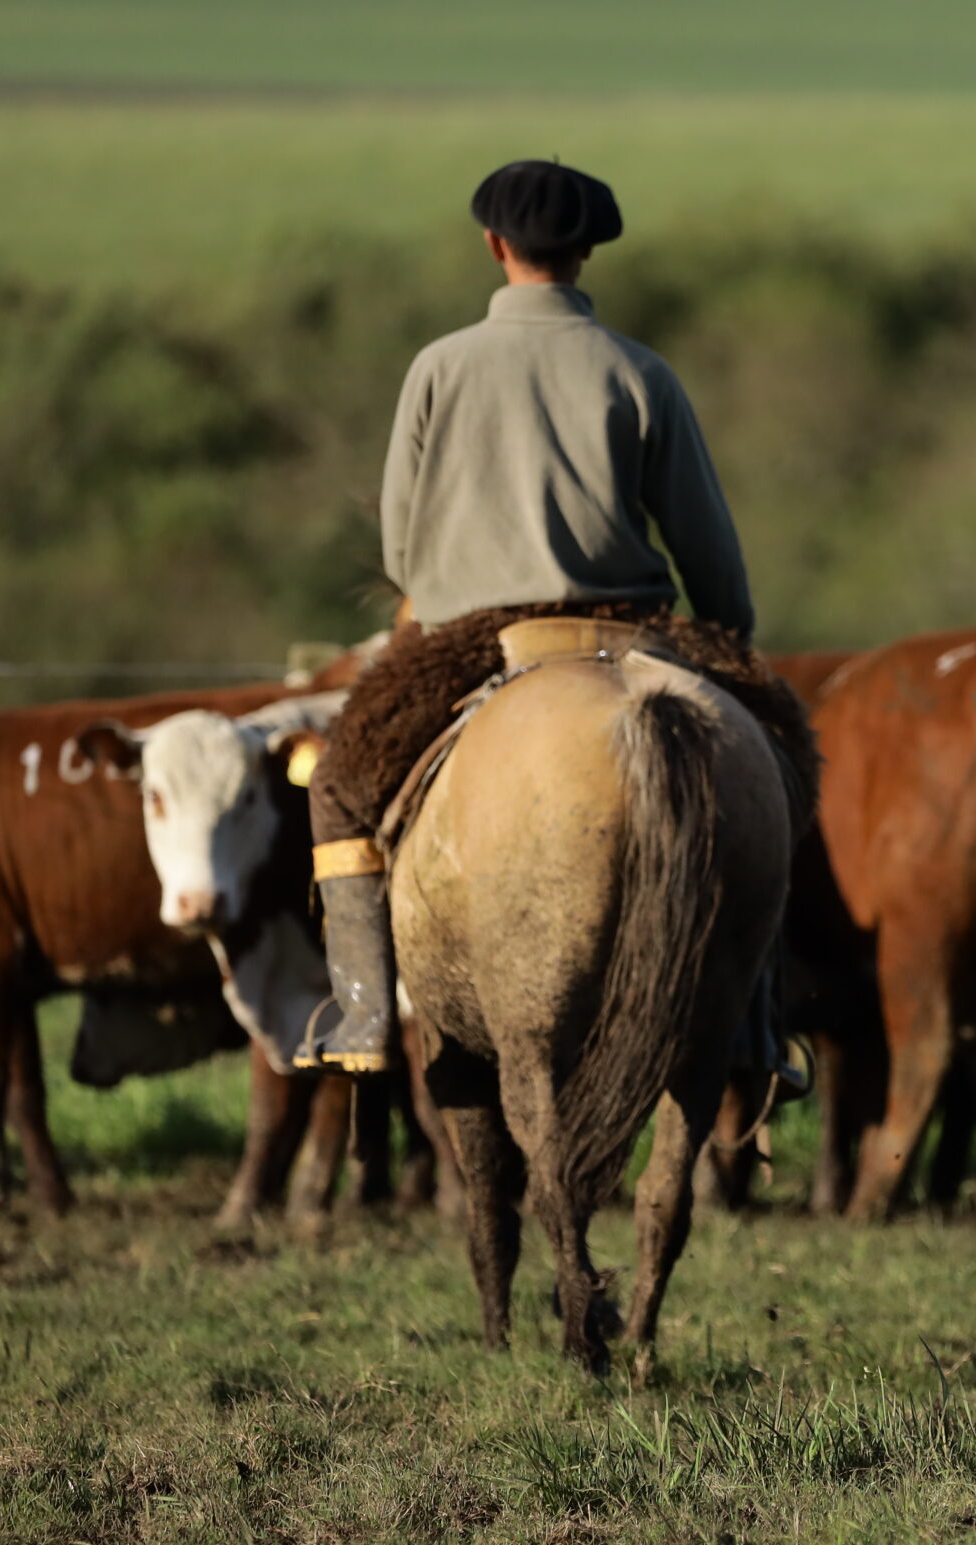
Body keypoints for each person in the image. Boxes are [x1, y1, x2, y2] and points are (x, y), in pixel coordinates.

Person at [298, 158, 783, 1085]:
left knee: (340, 782)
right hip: (631, 629)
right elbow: (706, 544)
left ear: (494, 247)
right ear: (588, 252)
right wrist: (730, 636)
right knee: (777, 770)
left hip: (472, 638)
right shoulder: (641, 372)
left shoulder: (438, 367)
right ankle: (755, 1027)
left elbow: (401, 546)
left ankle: (362, 1012)